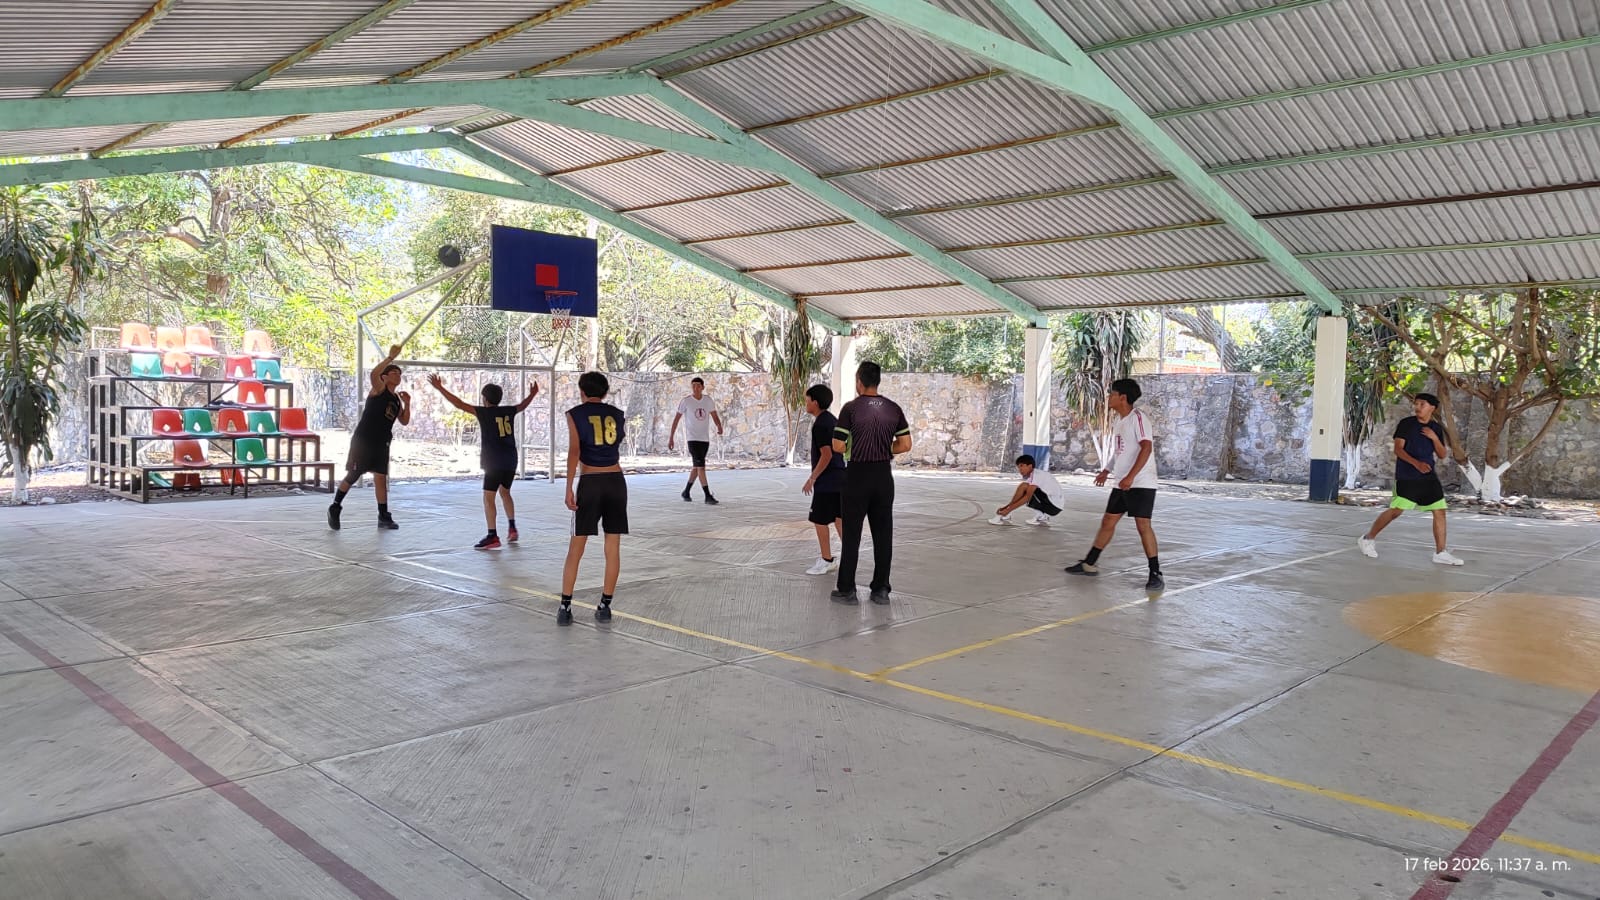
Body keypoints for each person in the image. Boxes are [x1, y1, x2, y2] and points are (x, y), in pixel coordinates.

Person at [1064, 378, 1164, 591]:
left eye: (1112, 394)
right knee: (1108, 521)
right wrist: (1107, 470)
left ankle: (1155, 573)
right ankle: (1089, 563)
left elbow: (1146, 448)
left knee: (1143, 525)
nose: (1109, 398)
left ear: (1123, 397)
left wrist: (1131, 476)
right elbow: (1120, 451)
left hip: (1141, 482)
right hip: (1122, 483)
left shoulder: (1138, 418)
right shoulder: (1120, 421)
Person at [426, 374, 540, 549]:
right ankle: (512, 527)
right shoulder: (508, 410)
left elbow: (458, 404)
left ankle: (492, 535)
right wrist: (533, 393)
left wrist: (440, 387)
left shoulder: (484, 413)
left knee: (488, 498)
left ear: (485, 399)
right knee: (505, 492)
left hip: (493, 461)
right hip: (511, 459)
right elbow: (523, 405)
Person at [830, 361, 912, 605]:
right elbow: (905, 444)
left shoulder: (851, 409)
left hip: (857, 475)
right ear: (878, 380)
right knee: (883, 534)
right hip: (883, 476)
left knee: (852, 534)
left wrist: (857, 447)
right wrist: (884, 448)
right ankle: (881, 589)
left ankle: (847, 589)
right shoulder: (893, 408)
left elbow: (838, 445)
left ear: (859, 381)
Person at [1358, 392, 1464, 565]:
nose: (1417, 407)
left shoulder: (1435, 428)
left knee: (1439, 511)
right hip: (1407, 476)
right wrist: (1416, 464)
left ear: (1432, 408)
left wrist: (1434, 438)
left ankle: (1440, 553)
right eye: (1416, 404)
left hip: (1428, 477)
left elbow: (1442, 454)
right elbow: (1398, 449)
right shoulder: (1406, 424)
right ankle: (1367, 539)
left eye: (1422, 404)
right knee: (1396, 511)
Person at [558, 371, 628, 626]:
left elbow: (574, 451)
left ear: (582, 392)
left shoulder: (575, 414)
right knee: (613, 546)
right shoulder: (617, 414)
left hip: (591, 481)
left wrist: (569, 487)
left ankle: (565, 607)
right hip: (616, 481)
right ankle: (605, 605)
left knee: (576, 547)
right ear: (606, 392)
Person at [328, 344, 410, 531]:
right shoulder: (379, 389)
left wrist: (407, 404)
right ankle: (335, 506)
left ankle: (383, 515)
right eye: (394, 373)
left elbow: (404, 421)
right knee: (354, 474)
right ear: (385, 377)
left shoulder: (396, 399)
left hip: (382, 442)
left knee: (381, 477)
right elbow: (374, 374)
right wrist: (390, 358)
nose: (398, 375)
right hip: (364, 440)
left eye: (399, 373)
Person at [801, 383, 846, 576]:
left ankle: (827, 560)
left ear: (816, 402)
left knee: (819, 520)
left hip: (827, 482)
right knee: (839, 519)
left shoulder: (820, 425)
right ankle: (850, 557)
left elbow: (826, 455)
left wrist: (812, 478)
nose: (806, 403)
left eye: (807, 400)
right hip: (841, 478)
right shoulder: (832, 420)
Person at [668, 376, 722, 505]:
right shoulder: (686, 401)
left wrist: (719, 426)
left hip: (704, 439)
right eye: (693, 385)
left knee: (697, 467)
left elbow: (714, 415)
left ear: (703, 387)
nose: (695, 388)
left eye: (698, 385)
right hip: (693, 439)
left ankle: (686, 491)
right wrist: (671, 437)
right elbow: (676, 419)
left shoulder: (708, 400)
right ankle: (707, 495)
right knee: (701, 467)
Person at [989, 454, 1063, 526]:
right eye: (1018, 467)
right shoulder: (1033, 475)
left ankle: (1007, 514)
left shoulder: (1037, 476)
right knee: (1024, 487)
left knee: (1027, 491)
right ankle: (1042, 517)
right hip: (1052, 504)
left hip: (1054, 506)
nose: (1020, 470)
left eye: (1021, 466)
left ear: (1030, 466)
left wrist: (1008, 510)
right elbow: (1021, 492)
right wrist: (1006, 507)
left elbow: (1027, 497)